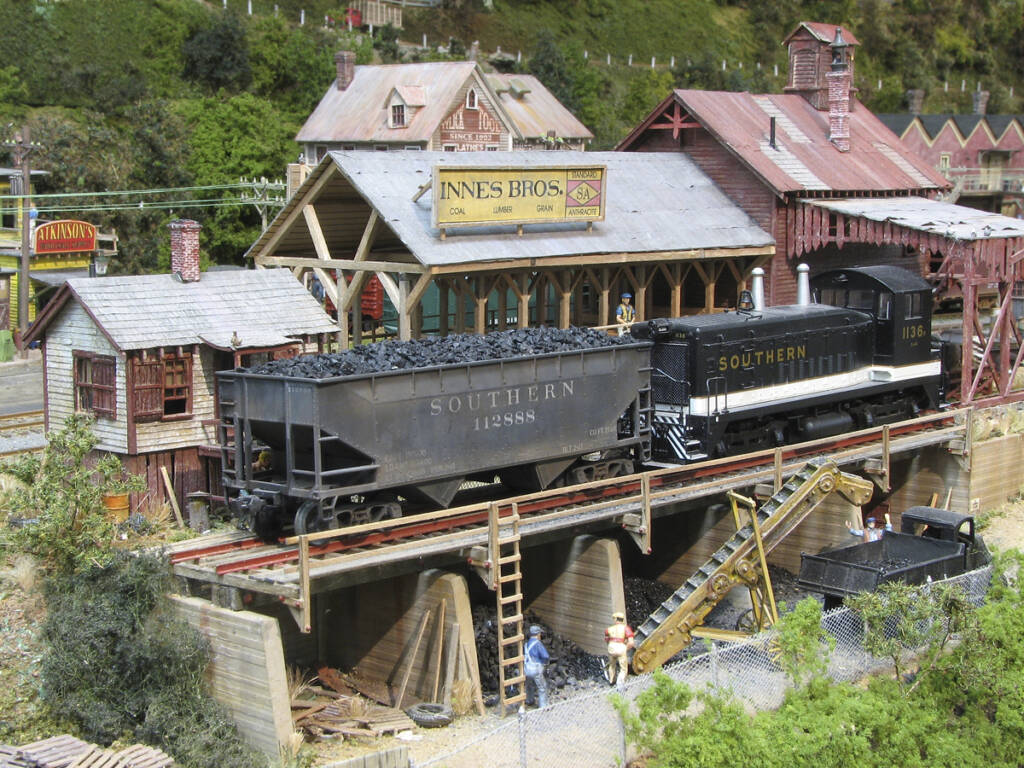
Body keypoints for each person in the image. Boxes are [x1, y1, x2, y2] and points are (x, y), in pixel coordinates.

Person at [604, 611, 634, 689]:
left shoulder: (609, 629)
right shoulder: (626, 628)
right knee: (623, 668)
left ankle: (611, 681)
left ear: (615, 619)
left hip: (611, 648)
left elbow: (606, 640)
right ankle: (620, 683)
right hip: (621, 647)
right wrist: (625, 648)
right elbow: (631, 642)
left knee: (612, 665)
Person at [524, 624, 550, 708]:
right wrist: (544, 663)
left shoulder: (526, 644)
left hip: (527, 669)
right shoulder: (538, 644)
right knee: (542, 687)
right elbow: (545, 656)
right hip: (535, 669)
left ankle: (529, 700)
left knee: (529, 686)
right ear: (538, 634)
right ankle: (543, 706)